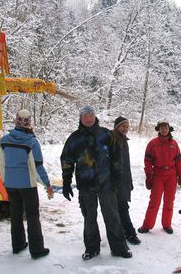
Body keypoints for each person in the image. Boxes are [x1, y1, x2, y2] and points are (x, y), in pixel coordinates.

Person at [61, 105, 132, 260]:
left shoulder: (106, 135)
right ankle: (92, 248)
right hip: (86, 185)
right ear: (80, 119)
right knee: (89, 218)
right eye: (85, 116)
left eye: (91, 115)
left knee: (112, 215)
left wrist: (117, 178)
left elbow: (117, 158)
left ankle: (119, 248)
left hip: (106, 184)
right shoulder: (74, 138)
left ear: (95, 117)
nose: (88, 118)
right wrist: (66, 181)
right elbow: (66, 160)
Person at [0, 109, 53, 260]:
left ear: (16, 122)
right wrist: (47, 185)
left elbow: (1, 164)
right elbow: (37, 167)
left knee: (15, 214)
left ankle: (18, 245)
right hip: (27, 185)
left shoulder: (4, 140)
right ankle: (37, 250)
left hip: (10, 183)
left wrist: (5, 180)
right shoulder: (31, 142)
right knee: (32, 215)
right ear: (30, 124)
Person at [138, 119, 181, 234]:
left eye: (166, 128)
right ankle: (147, 225)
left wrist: (180, 175)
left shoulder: (174, 144)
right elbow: (148, 162)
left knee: (169, 202)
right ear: (158, 129)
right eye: (162, 128)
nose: (164, 130)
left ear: (169, 129)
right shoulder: (152, 143)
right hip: (158, 175)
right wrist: (149, 177)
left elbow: (178, 160)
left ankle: (167, 224)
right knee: (154, 201)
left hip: (171, 176)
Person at [112, 116, 141, 245]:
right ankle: (130, 233)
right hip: (115, 181)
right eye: (123, 126)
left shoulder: (124, 141)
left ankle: (124, 231)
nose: (126, 129)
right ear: (117, 127)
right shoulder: (112, 140)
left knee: (121, 207)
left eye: (127, 126)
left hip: (123, 181)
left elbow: (126, 165)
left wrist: (129, 182)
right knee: (122, 207)